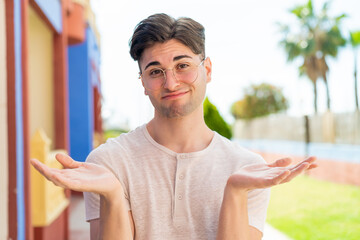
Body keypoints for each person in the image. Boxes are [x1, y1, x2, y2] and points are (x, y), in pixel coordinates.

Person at [31, 13, 317, 240]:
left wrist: (235, 191)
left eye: (183, 66)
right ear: (143, 82)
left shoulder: (244, 168)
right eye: (155, 71)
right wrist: (115, 197)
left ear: (206, 70)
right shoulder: (108, 162)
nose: (171, 83)